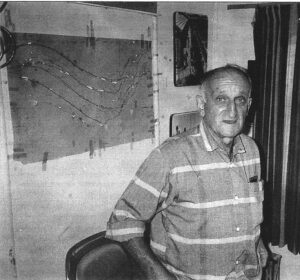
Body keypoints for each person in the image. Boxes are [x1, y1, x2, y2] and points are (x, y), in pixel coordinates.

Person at [106, 64, 268, 280]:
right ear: (202, 104)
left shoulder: (252, 150)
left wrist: (257, 244)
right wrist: (158, 276)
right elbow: (123, 220)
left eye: (240, 100)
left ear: (248, 105)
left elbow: (246, 209)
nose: (232, 111)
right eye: (221, 99)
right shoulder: (170, 156)